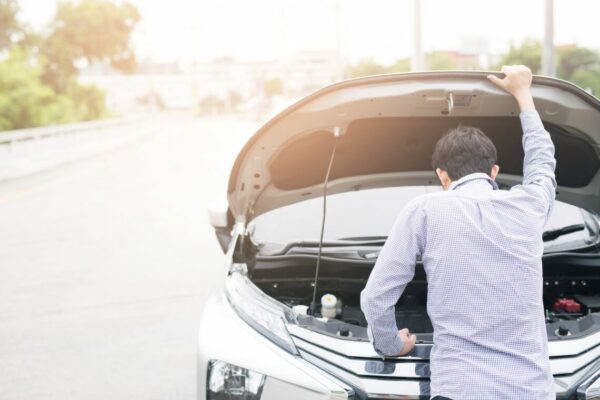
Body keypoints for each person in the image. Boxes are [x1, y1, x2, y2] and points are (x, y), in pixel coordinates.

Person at [360, 65, 556, 400]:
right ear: (494, 171)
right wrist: (523, 93)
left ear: (442, 175)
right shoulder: (529, 205)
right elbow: (542, 162)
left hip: (460, 388)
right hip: (529, 389)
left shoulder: (425, 210)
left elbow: (376, 297)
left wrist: (391, 344)